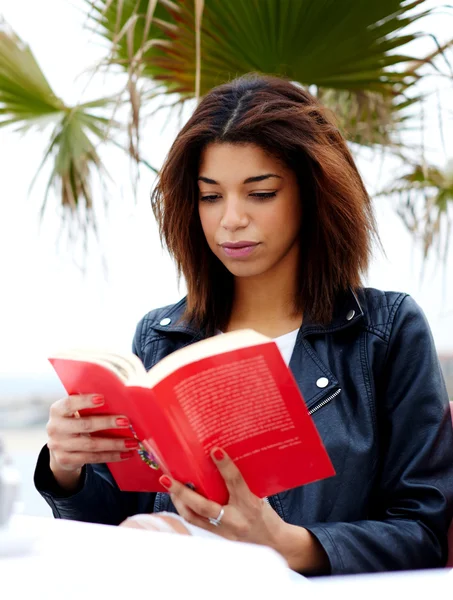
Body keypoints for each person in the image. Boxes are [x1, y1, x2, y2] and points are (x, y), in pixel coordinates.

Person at [34, 74, 453, 576]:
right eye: (210, 197)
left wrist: (286, 544)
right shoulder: (162, 337)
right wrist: (67, 468)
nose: (230, 219)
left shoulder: (384, 332)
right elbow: (114, 527)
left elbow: (424, 533)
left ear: (312, 193)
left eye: (260, 193)